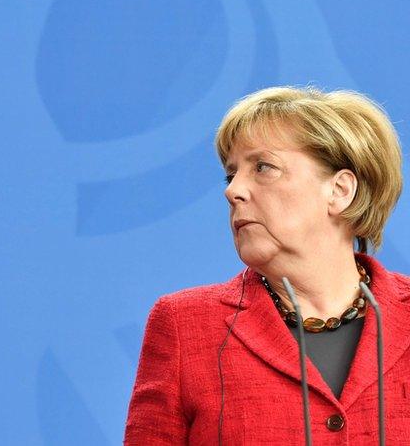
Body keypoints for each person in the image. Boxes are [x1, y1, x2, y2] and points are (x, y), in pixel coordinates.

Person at [125, 86, 407, 443]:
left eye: (263, 167)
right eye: (231, 175)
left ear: (340, 191)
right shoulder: (185, 325)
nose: (233, 190)